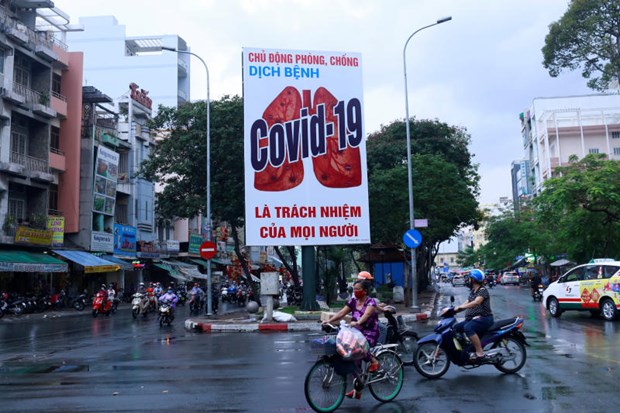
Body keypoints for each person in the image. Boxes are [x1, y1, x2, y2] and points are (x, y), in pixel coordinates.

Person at [322, 279, 381, 399]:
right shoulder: (353, 301)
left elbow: (367, 315)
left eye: (358, 289)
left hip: (370, 333)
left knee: (359, 349)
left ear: (364, 291)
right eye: (354, 289)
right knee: (351, 357)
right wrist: (329, 321)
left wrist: (358, 322)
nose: (355, 291)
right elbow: (341, 313)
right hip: (356, 331)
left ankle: (374, 361)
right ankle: (357, 390)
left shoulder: (371, 302)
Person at [453, 268, 494, 361]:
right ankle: (467, 347)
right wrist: (455, 309)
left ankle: (480, 352)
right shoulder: (473, 291)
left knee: (468, 327)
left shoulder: (482, 290)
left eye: (469, 278)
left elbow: (476, 302)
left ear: (473, 279)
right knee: (456, 328)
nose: (468, 280)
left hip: (484, 318)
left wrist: (461, 307)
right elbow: (467, 302)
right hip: (473, 318)